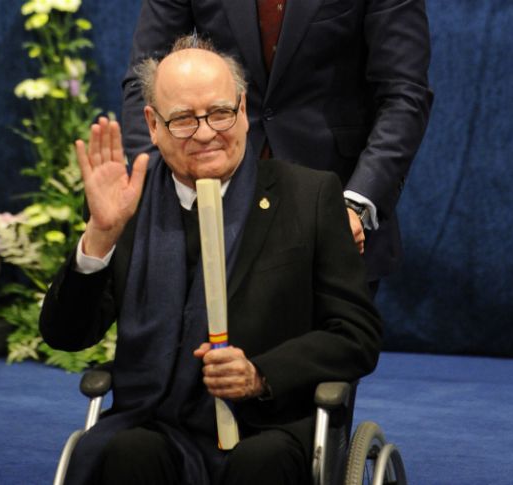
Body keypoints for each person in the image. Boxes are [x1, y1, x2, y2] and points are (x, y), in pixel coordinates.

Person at [40, 36, 382, 485]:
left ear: (243, 110)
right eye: (183, 119)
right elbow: (66, 335)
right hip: (154, 418)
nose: (205, 133)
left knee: (261, 462)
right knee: (126, 451)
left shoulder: (309, 196)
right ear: (153, 124)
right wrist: (101, 236)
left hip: (267, 423)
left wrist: (260, 374)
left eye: (220, 113)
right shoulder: (127, 205)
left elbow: (356, 335)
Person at [121, 0, 434, 294]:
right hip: (214, 215)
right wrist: (163, 196)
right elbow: (144, 80)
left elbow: (404, 95)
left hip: (336, 217)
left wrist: (355, 205)